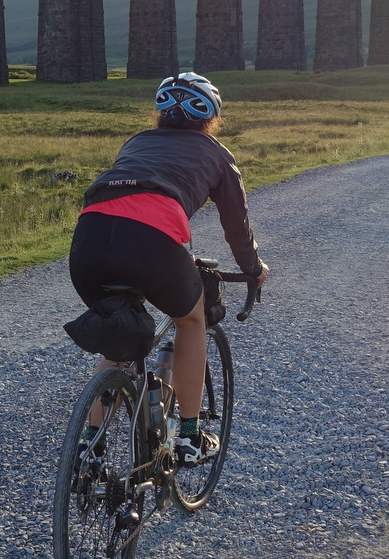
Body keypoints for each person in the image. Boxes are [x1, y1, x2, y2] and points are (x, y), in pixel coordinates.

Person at [69, 72, 269, 465]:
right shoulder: (216, 153)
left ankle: (89, 446)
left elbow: (128, 203)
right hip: (152, 243)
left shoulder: (136, 142)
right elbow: (236, 225)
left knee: (117, 327)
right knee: (191, 321)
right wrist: (253, 267)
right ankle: (191, 438)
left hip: (89, 239)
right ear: (210, 119)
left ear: (160, 114)